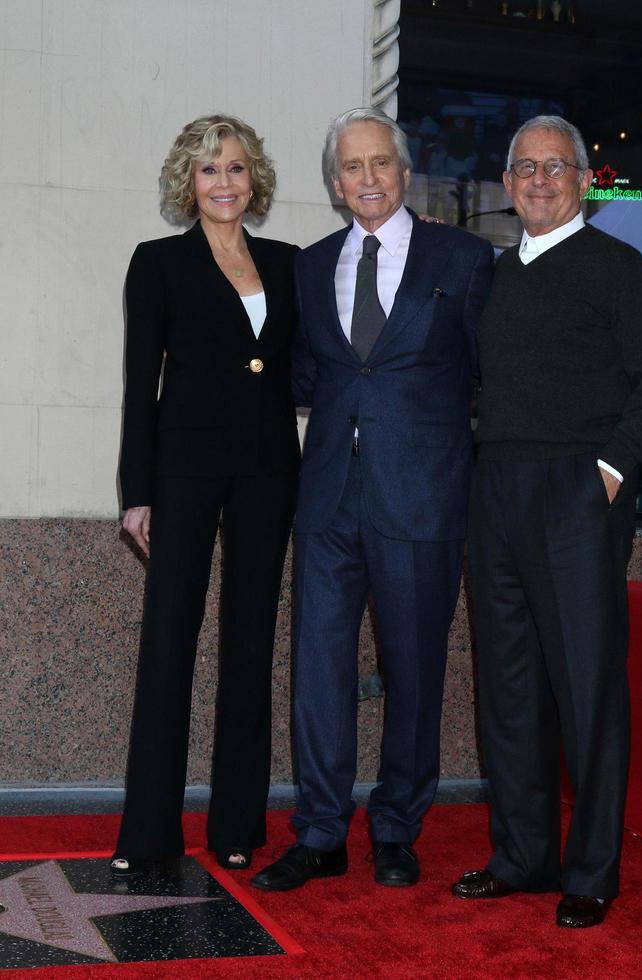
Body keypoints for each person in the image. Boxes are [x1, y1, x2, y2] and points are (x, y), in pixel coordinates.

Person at [252, 107, 494, 892]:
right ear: (333, 183)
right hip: (326, 502)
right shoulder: (309, 266)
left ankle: (396, 825)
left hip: (422, 502)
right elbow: (308, 377)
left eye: (380, 164)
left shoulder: (462, 259)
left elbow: (493, 379)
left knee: (414, 670)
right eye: (351, 167)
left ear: (405, 170)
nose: (367, 179)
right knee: (317, 670)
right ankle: (321, 830)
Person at [451, 115, 642, 926]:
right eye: (526, 168)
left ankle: (591, 873)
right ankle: (522, 857)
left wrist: (610, 473)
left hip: (578, 490)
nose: (541, 180)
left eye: (558, 166)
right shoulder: (490, 275)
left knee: (586, 686)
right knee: (508, 687)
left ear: (585, 181)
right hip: (496, 488)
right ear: (507, 186)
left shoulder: (620, 268)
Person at [112, 115, 300, 877]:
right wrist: (138, 492)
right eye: (208, 170)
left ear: (255, 179)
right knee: (168, 645)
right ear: (186, 183)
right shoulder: (156, 262)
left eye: (236, 168)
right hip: (183, 470)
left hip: (268, 472)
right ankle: (149, 831)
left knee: (250, 645)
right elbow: (139, 387)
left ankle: (236, 825)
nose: (224, 183)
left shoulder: (289, 264)